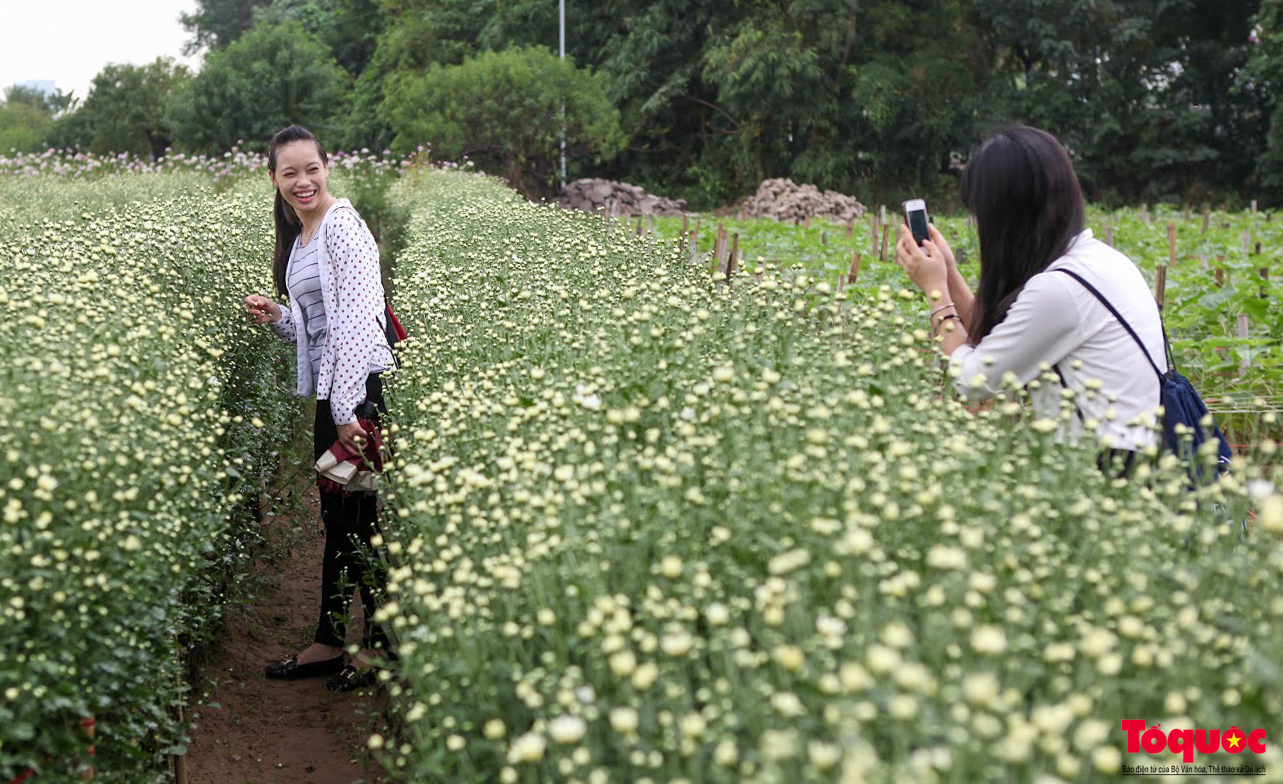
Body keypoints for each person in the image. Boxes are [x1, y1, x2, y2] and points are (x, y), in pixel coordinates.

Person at [895, 125, 1166, 473]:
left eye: (982, 213)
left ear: (1009, 214)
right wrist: (947, 271)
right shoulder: (1100, 261)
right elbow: (995, 339)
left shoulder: (1060, 290)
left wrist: (935, 292)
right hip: (1140, 457)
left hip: (1107, 474)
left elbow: (975, 379)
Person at [244, 125, 396, 692]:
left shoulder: (343, 227)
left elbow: (359, 321)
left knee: (360, 523)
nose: (302, 181)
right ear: (275, 179)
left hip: (356, 395)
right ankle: (330, 642)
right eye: (290, 172)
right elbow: (320, 330)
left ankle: (383, 650)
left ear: (326, 168)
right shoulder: (303, 235)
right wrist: (281, 318)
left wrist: (350, 411)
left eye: (312, 169)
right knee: (340, 521)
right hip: (335, 396)